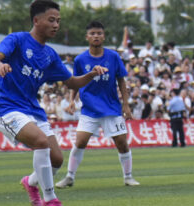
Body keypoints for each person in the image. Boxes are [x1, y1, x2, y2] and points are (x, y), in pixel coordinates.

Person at [0, 0, 109, 206]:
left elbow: (72, 83)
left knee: (57, 159)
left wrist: (91, 75)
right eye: (51, 20)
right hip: (6, 108)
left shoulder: (50, 55)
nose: (56, 25)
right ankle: (51, 200)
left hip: (32, 109)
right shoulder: (17, 39)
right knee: (41, 142)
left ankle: (31, 182)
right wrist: (0, 65)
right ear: (36, 20)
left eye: (58, 21)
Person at [56, 21, 139, 189]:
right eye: (92, 33)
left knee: (122, 143)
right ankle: (69, 177)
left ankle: (128, 177)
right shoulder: (80, 60)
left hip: (111, 108)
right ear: (87, 37)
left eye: (99, 33)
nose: (96, 36)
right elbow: (76, 82)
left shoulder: (113, 56)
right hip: (89, 109)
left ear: (104, 36)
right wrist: (72, 100)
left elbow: (121, 81)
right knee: (80, 142)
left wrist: (126, 105)